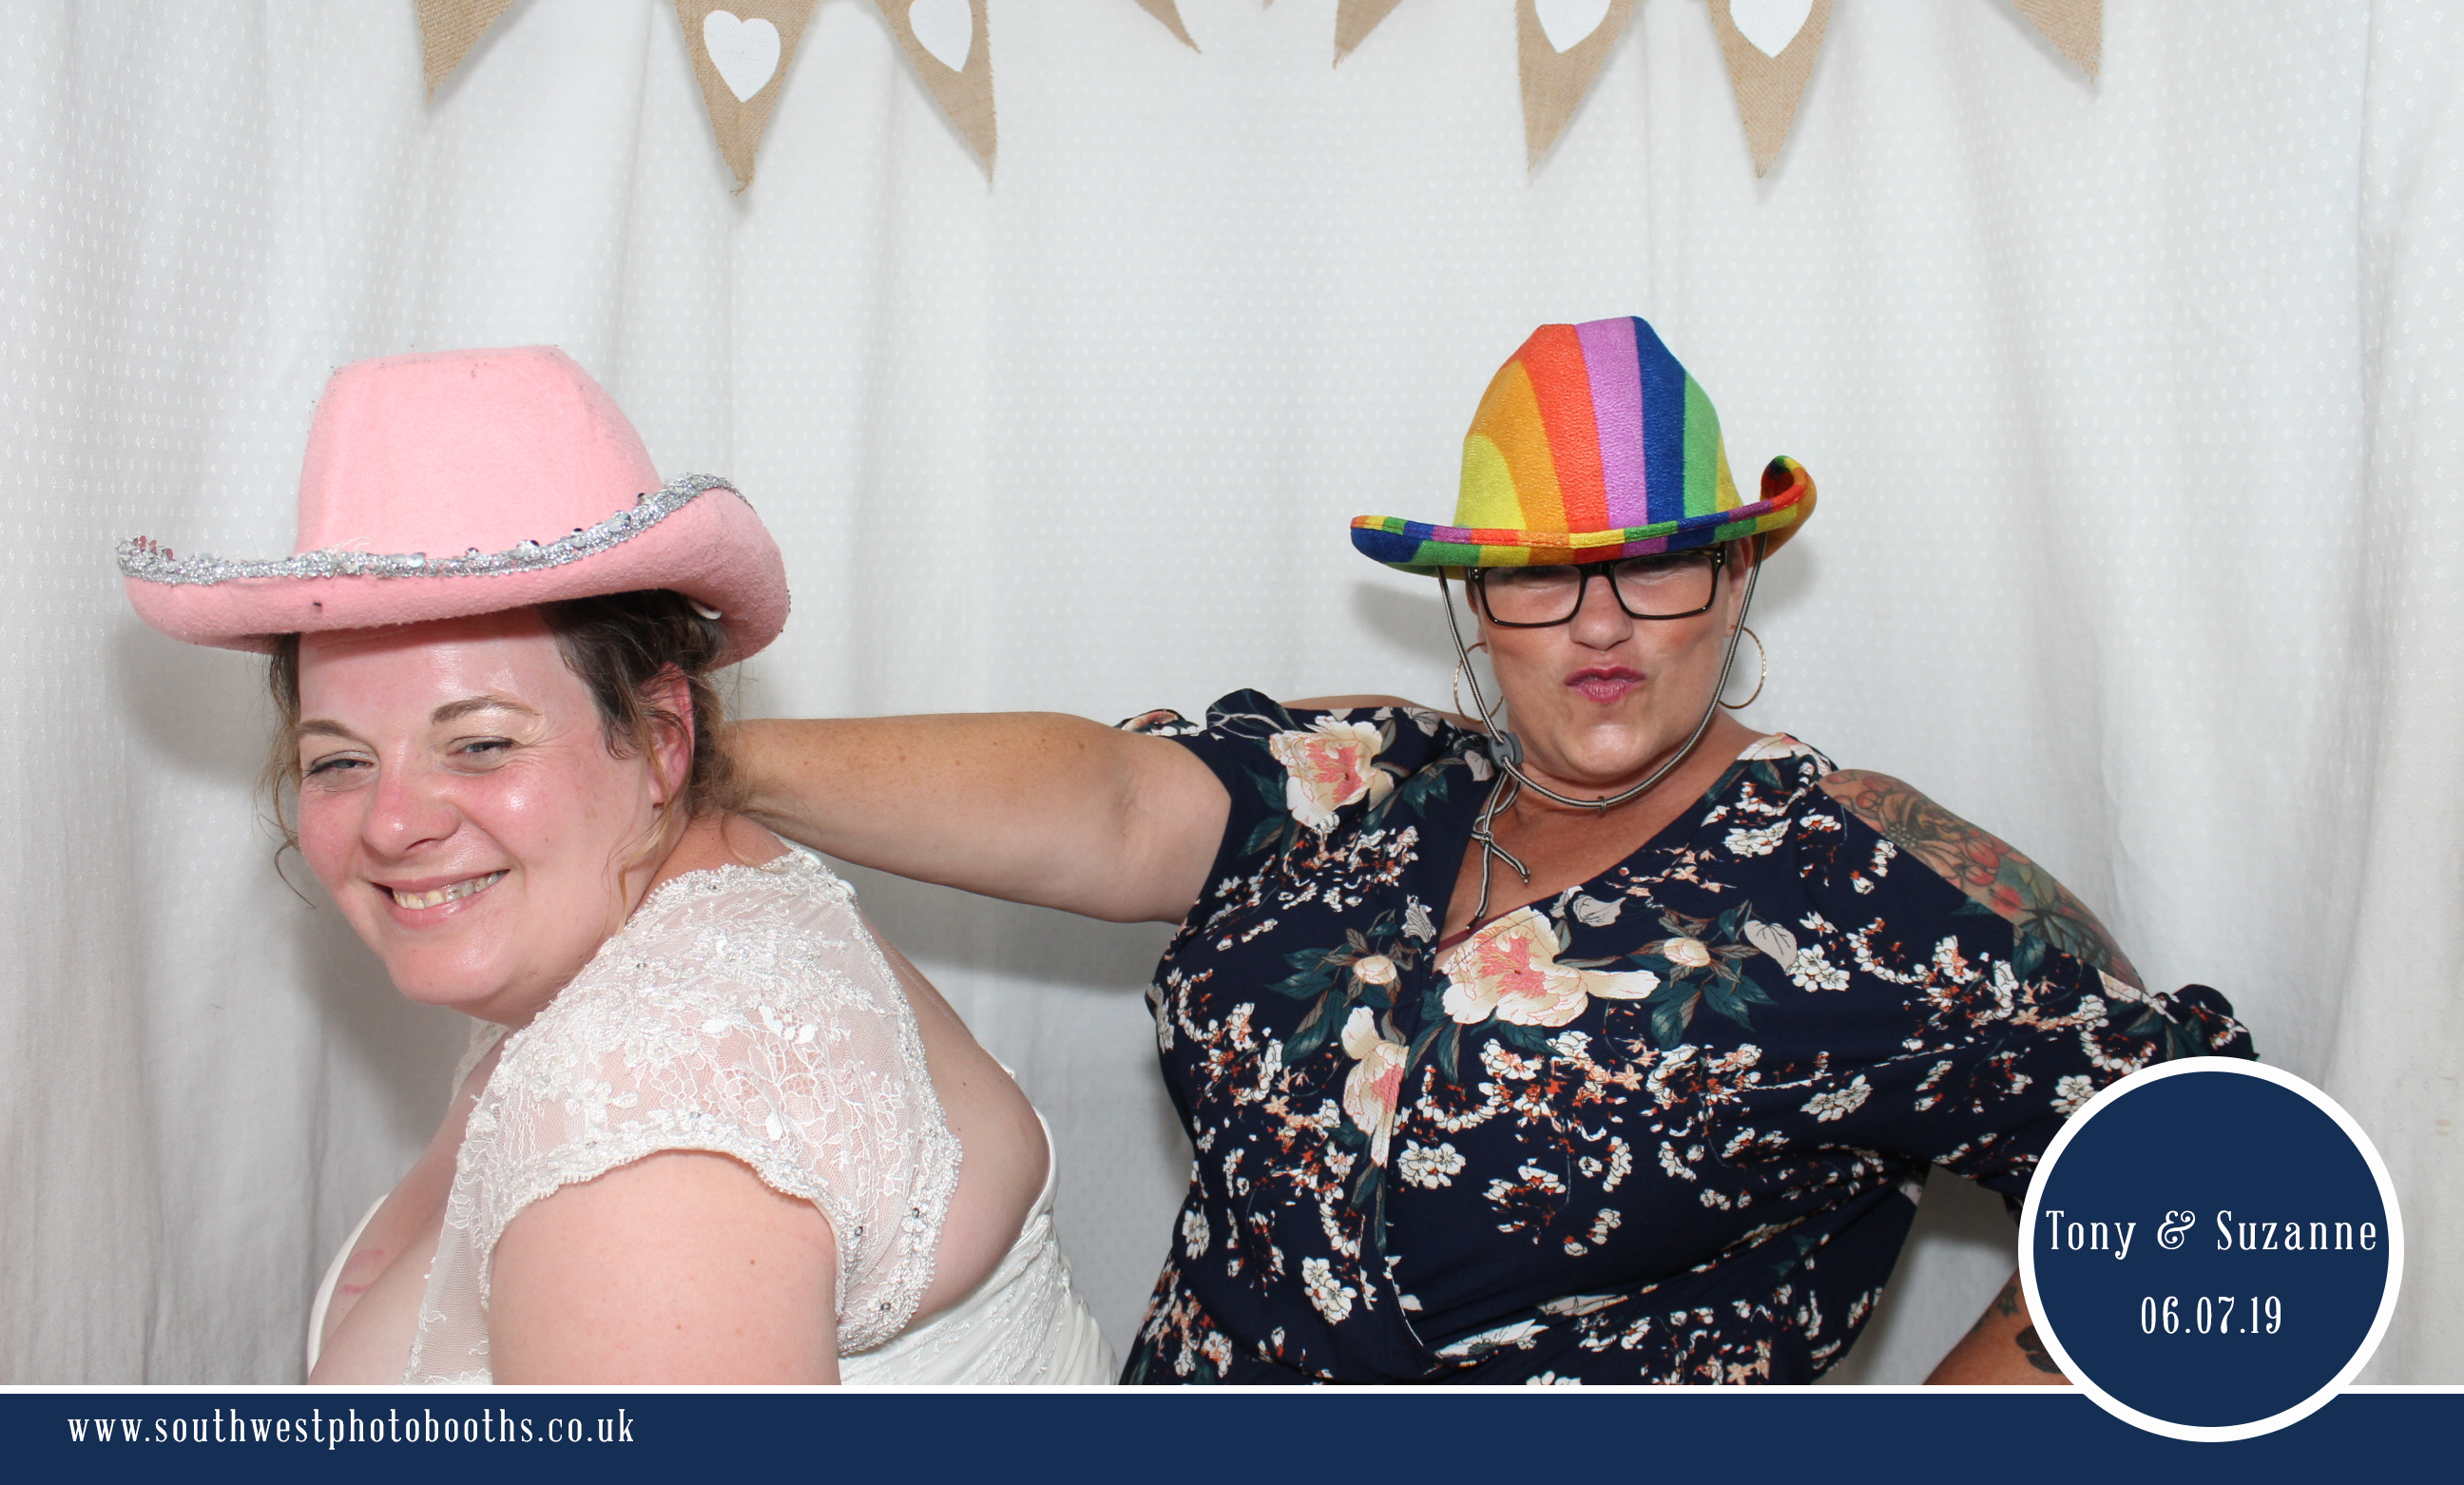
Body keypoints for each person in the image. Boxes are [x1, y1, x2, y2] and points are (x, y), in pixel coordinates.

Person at [727, 318, 2255, 1384]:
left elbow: (2225, 1187)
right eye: (1540, 578)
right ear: (1473, 603)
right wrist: (699, 762)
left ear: (1734, 579)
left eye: (1651, 566)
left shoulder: (1855, 883)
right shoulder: (1367, 783)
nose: (1597, 621)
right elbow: (1111, 803)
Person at [119, 346, 1110, 1385]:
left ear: (660, 737)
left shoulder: (647, 1124)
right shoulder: (672, 903)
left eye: (482, 743)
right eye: (339, 761)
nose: (392, 824)